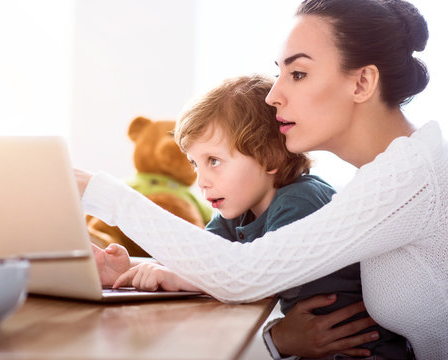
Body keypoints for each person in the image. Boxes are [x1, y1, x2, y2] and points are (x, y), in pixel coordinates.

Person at [76, 0, 448, 359]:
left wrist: (99, 192)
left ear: (362, 82)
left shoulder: (408, 180)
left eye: (298, 74)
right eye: (278, 74)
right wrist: (135, 272)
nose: (273, 96)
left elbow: (242, 273)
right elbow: (233, 265)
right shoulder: (396, 172)